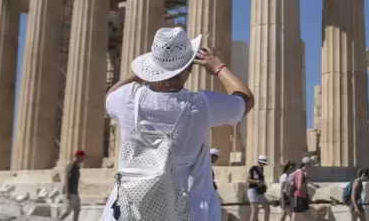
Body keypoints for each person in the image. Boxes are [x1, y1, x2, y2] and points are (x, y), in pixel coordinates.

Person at [101, 27, 254, 221]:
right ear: (189, 67)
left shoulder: (128, 98)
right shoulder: (200, 105)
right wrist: (218, 67)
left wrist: (144, 72)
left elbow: (110, 97)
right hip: (186, 210)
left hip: (129, 210)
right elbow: (246, 100)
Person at [59, 150, 85, 221]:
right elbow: (66, 178)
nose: (84, 159)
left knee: (77, 209)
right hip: (69, 192)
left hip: (75, 192)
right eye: (83, 157)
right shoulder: (71, 166)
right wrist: (67, 192)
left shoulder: (77, 167)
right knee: (67, 211)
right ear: (79, 157)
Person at [248, 155, 270, 221]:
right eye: (262, 163)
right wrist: (257, 181)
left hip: (260, 191)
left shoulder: (262, 169)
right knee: (254, 211)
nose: (263, 164)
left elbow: (262, 180)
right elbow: (247, 180)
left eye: (264, 163)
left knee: (267, 209)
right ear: (259, 162)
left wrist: (264, 184)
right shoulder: (253, 168)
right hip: (252, 190)